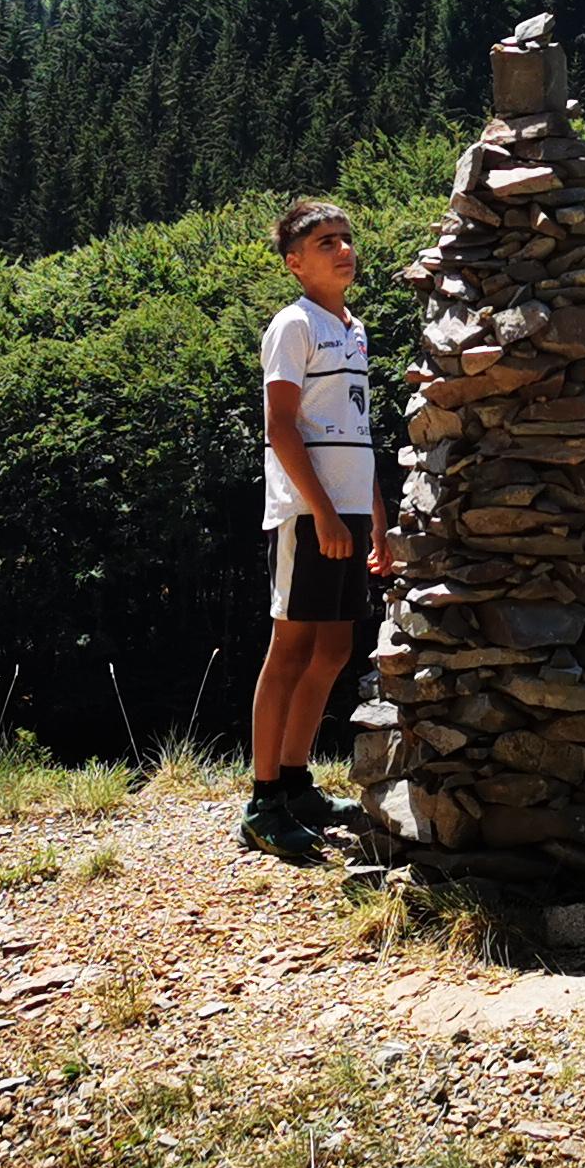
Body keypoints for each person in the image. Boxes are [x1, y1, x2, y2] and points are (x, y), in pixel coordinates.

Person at [242, 195, 387, 861]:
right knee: (291, 648)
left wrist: (376, 522)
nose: (343, 250)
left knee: (333, 651)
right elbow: (281, 428)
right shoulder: (293, 326)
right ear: (295, 263)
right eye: (326, 242)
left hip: (351, 516)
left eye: (347, 238)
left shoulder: (354, 329)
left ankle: (298, 784)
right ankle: (263, 800)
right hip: (308, 515)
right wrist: (324, 512)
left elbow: (357, 432)